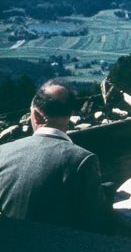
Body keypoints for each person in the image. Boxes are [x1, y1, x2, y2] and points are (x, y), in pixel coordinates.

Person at [0, 81, 110, 232]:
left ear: (36, 116)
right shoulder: (82, 160)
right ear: (70, 115)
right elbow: (97, 222)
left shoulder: (3, 152)